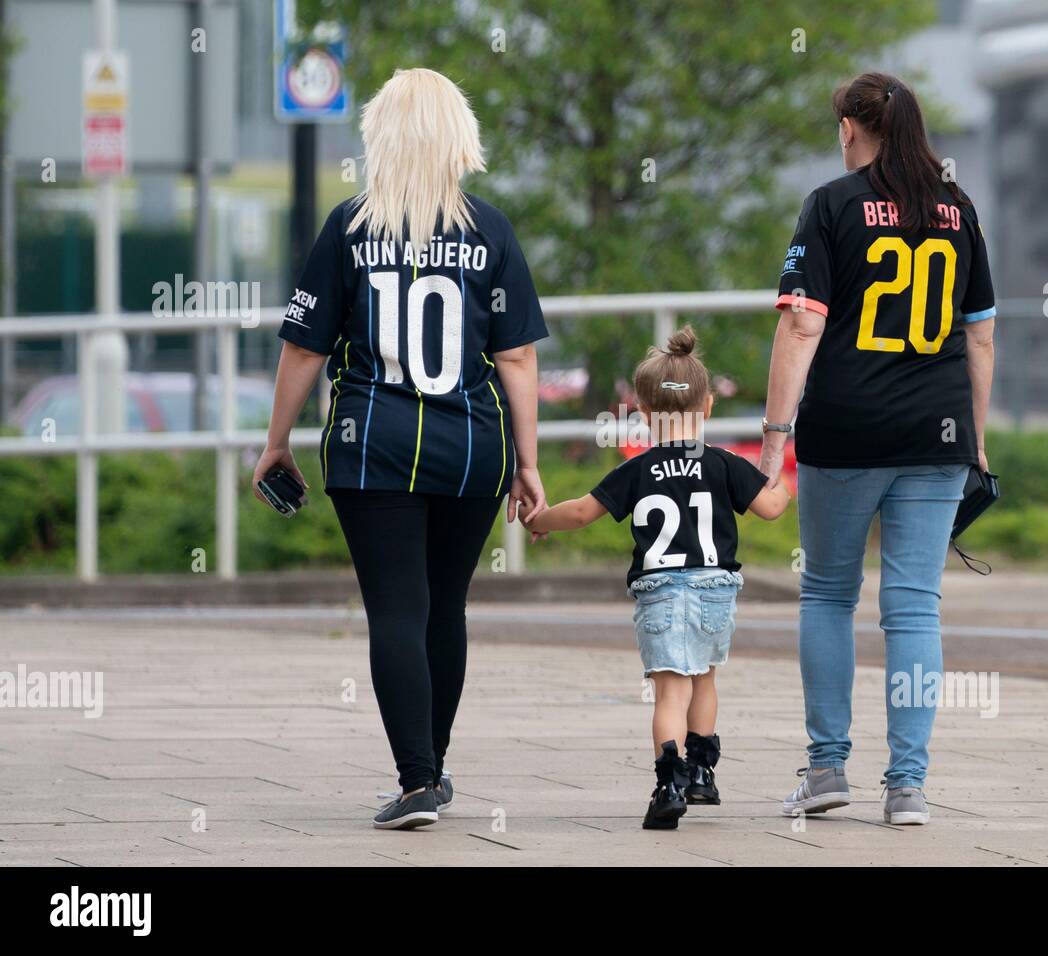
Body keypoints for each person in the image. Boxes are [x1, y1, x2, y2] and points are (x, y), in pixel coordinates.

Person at [252, 69, 548, 830]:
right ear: (459, 139)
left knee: (396, 607)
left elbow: (304, 347)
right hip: (475, 447)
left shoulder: (349, 228)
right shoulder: (492, 231)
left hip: (371, 445)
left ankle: (416, 780)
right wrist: (529, 462)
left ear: (380, 138)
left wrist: (276, 441)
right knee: (444, 607)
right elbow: (516, 359)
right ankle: (435, 771)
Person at [758, 71, 997, 825]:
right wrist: (976, 444)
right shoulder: (957, 209)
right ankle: (907, 787)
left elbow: (801, 326)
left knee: (829, 593)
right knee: (915, 608)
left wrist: (773, 438)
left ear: (851, 129)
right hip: (938, 431)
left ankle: (827, 769)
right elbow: (981, 335)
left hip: (846, 429)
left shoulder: (830, 205)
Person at [524, 327, 789, 829]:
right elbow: (772, 508)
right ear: (708, 407)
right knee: (705, 678)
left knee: (670, 693)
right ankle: (703, 775)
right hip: (715, 590)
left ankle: (669, 783)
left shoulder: (637, 469)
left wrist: (540, 520)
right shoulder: (724, 465)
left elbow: (581, 512)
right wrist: (782, 488)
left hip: (662, 592)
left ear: (643, 412)